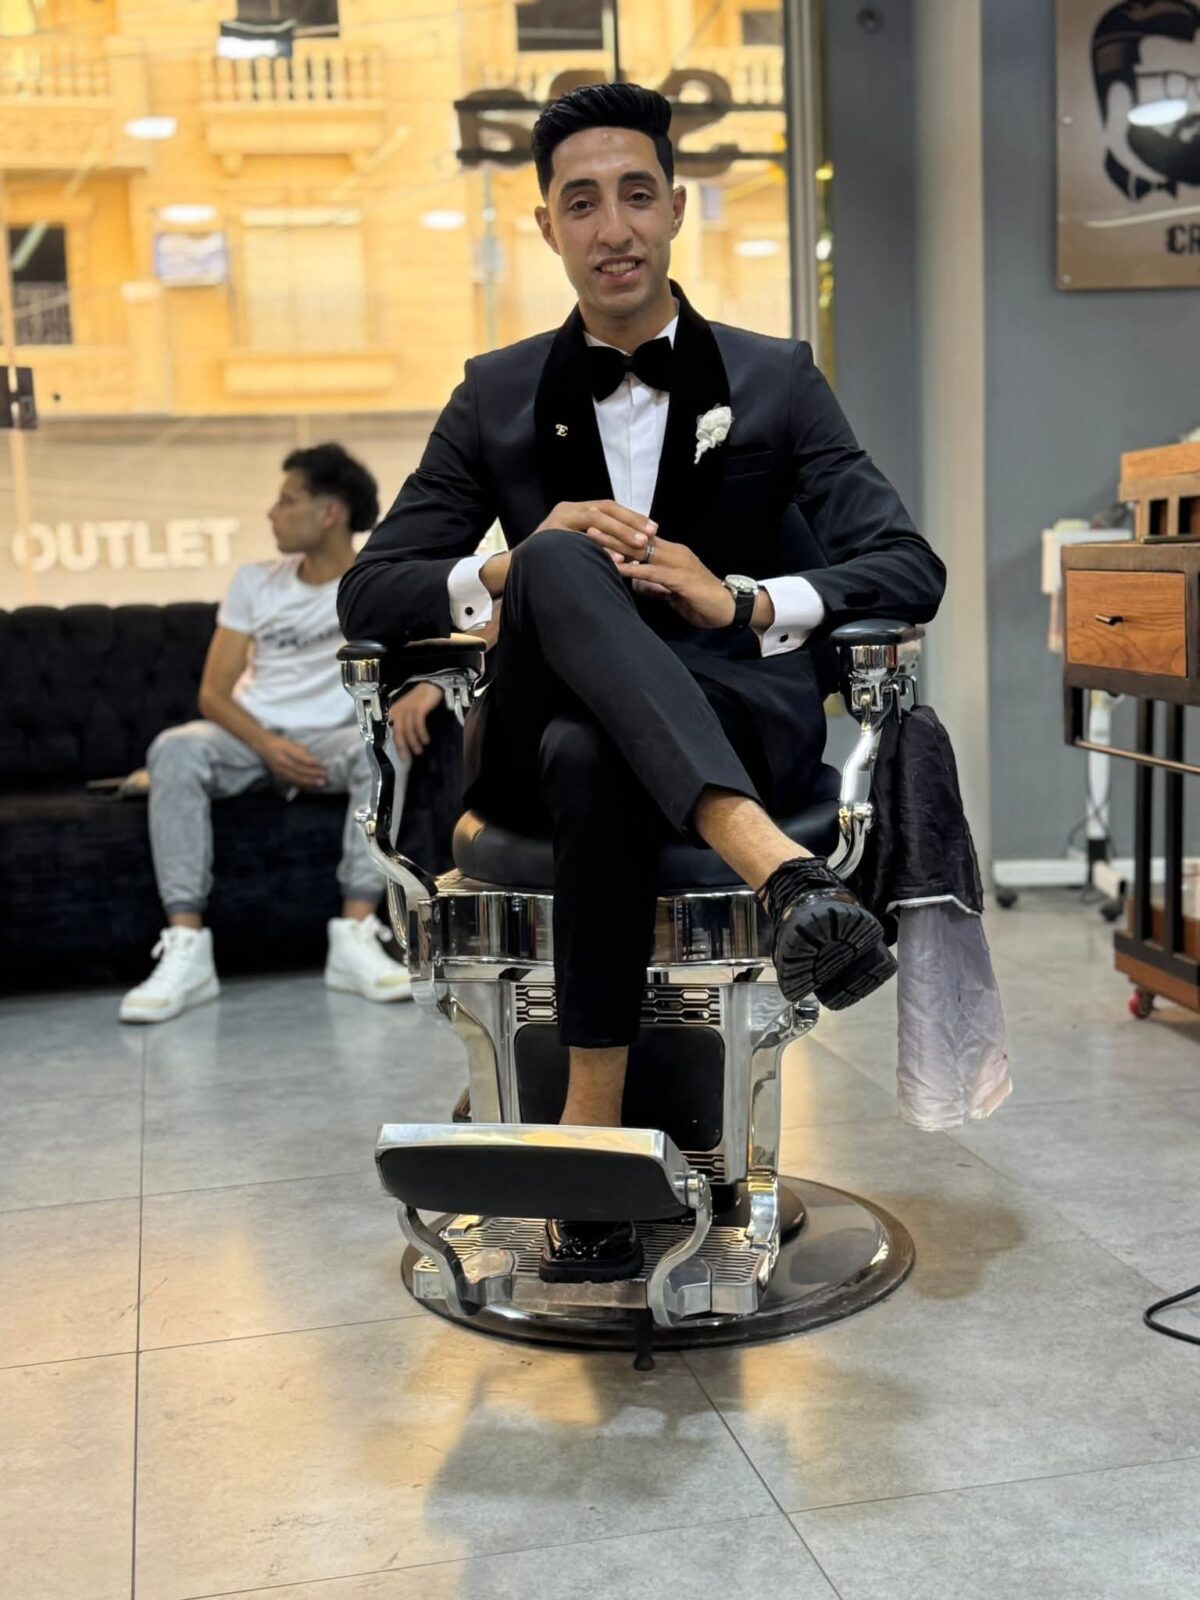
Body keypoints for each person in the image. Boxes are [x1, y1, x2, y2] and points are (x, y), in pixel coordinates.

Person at [338, 84, 947, 1281]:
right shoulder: (495, 392)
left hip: (725, 709)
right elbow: (372, 589)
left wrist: (744, 599)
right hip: (534, 728)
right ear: (547, 227)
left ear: (675, 208)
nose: (612, 227)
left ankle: (590, 1137)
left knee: (596, 753)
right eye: (581, 203)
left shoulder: (774, 380)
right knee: (557, 560)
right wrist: (511, 564)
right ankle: (784, 873)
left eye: (634, 196)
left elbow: (905, 564)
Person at [120, 442, 443, 1024]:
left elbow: (466, 628)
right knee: (174, 749)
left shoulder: (376, 585)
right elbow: (213, 694)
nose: (273, 513)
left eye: (288, 500)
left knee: (384, 748)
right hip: (252, 737)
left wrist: (429, 690)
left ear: (330, 512)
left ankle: (354, 935)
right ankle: (186, 947)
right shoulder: (255, 582)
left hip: (337, 740)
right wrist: (268, 747)